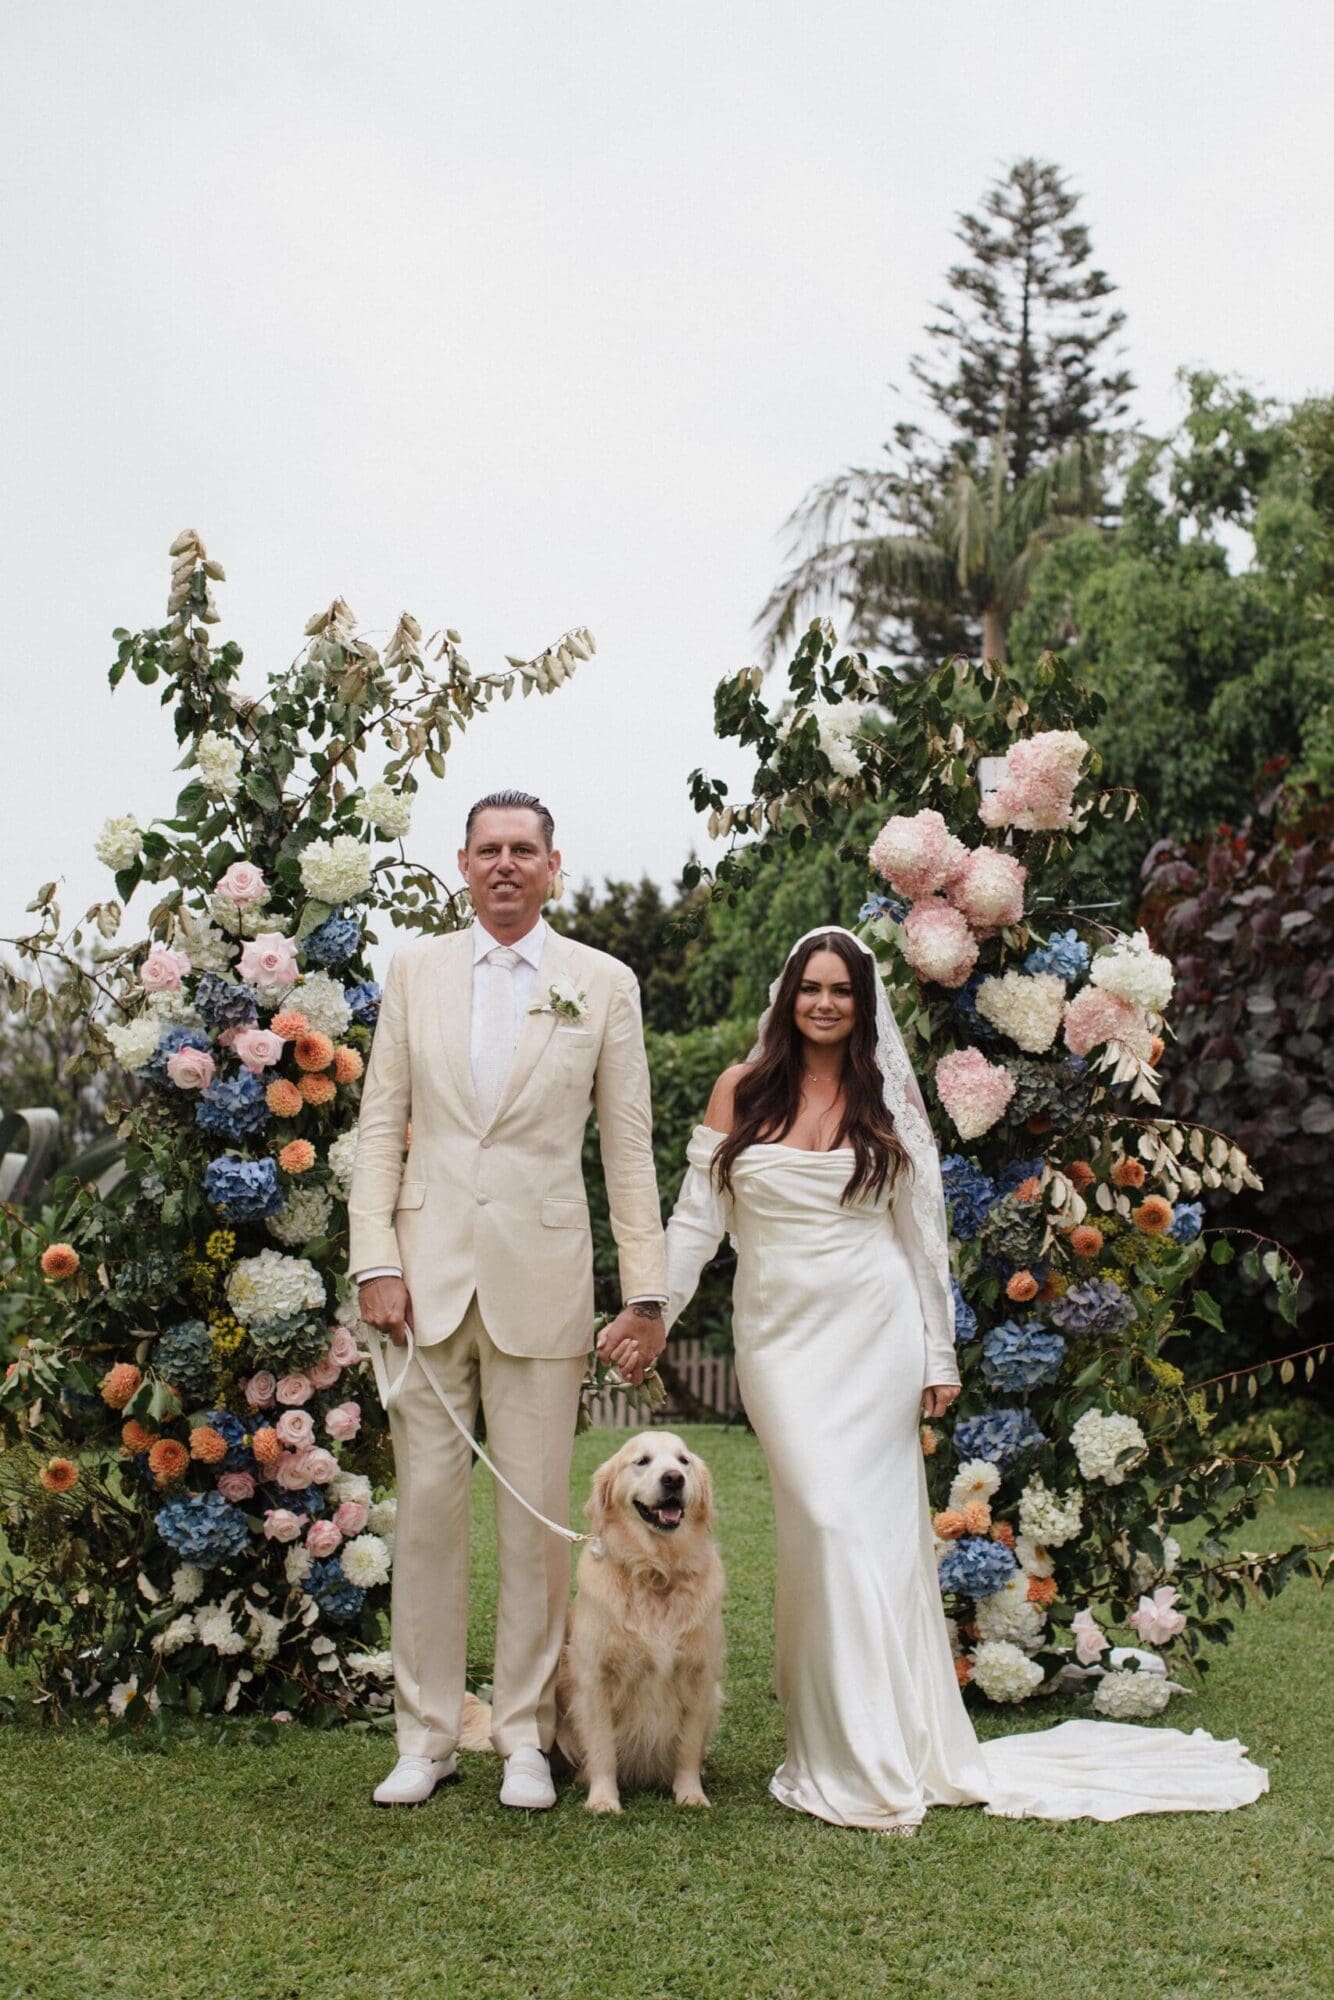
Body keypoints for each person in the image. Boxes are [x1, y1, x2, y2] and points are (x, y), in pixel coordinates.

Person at [663, 926, 1268, 1830]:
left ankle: (874, 1749)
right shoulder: (740, 1091)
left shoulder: (884, 1098)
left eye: (842, 992)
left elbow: (921, 1232)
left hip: (876, 1333)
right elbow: (694, 1223)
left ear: (863, 1008)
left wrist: (938, 1353)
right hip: (779, 1341)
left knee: (863, 1531)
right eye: (811, 988)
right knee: (820, 1524)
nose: (825, 1003)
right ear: (787, 997)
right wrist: (650, 1312)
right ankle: (837, 1738)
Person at [349, 791, 667, 1810]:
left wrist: (646, 1292)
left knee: (533, 1522)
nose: (503, 865)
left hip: (542, 1278)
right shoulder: (414, 971)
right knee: (429, 1519)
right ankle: (427, 1733)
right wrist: (373, 1261)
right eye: (486, 849)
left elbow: (626, 1149)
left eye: (521, 850)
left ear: (551, 865)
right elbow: (378, 1126)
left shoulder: (602, 982)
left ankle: (526, 1734)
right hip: (422, 1279)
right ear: (461, 861)